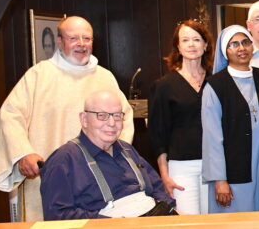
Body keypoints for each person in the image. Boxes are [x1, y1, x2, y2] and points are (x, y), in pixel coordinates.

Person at [0, 16, 134, 222]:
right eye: (73, 38)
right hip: (48, 176)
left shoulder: (105, 77)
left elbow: (124, 119)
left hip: (98, 177)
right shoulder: (38, 76)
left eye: (87, 38)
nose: (81, 44)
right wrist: (23, 152)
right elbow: (10, 116)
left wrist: (113, 159)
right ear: (59, 41)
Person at [40, 90, 175, 220]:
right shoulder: (63, 161)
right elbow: (57, 216)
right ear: (84, 119)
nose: (111, 123)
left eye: (117, 116)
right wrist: (111, 223)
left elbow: (157, 187)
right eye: (102, 116)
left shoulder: (127, 150)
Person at [202, 25, 259, 213]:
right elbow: (212, 137)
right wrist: (220, 180)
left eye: (245, 42)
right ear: (225, 52)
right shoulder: (215, 86)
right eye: (234, 44)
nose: (241, 48)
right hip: (233, 169)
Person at [148, 20, 212, 215]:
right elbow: (158, 134)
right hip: (182, 167)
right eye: (185, 40)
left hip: (214, 165)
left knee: (215, 223)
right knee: (188, 223)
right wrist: (164, 174)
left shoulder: (216, 81)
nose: (191, 44)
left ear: (206, 45)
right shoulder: (164, 85)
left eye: (196, 39)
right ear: (178, 46)